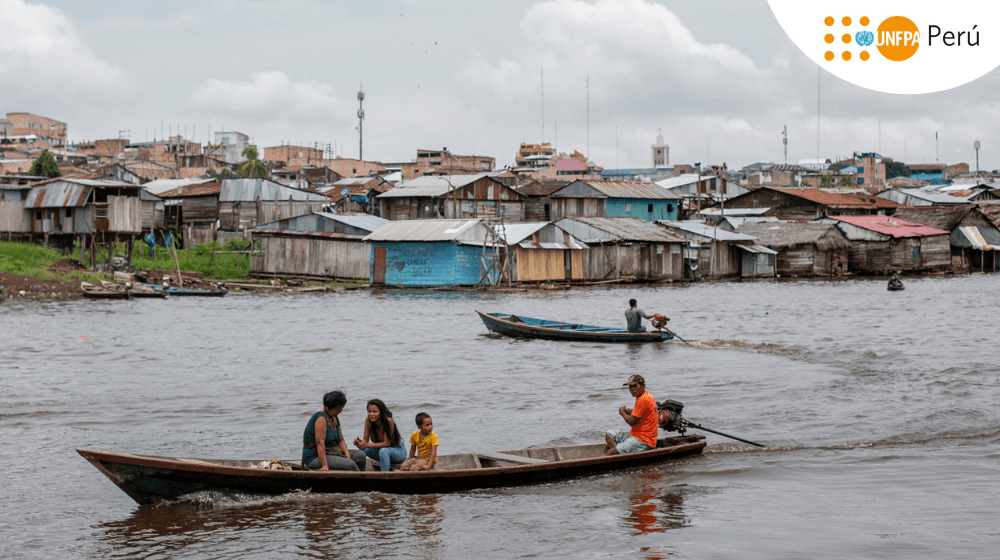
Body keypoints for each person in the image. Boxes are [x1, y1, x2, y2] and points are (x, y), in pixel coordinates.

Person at [302, 390, 367, 471]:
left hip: (331, 452)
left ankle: (361, 477)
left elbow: (341, 440)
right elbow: (320, 444)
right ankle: (360, 482)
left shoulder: (334, 417)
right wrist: (324, 465)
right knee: (350, 464)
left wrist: (346, 452)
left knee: (361, 456)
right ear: (334, 407)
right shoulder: (321, 418)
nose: (341, 410)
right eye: (340, 408)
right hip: (314, 457)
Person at [605, 374, 659, 456]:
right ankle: (619, 453)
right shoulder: (644, 396)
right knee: (609, 434)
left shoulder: (643, 399)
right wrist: (633, 412)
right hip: (635, 435)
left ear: (643, 386)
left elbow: (632, 422)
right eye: (630, 387)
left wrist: (622, 413)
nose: (632, 389)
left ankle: (617, 452)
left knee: (609, 453)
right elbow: (643, 414)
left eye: (635, 386)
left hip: (644, 440)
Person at [353, 399, 407, 471]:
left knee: (383, 451)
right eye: (369, 411)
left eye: (375, 411)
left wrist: (367, 444)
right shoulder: (368, 420)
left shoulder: (388, 421)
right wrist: (359, 443)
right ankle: (361, 475)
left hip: (398, 452)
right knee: (361, 451)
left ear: (381, 412)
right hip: (382, 452)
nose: (371, 414)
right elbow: (365, 440)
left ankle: (384, 478)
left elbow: (387, 444)